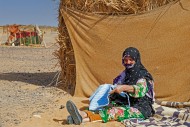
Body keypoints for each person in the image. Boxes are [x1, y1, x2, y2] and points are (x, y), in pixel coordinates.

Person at [66, 47, 155, 125]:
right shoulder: (126, 74)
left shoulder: (143, 75)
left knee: (115, 112)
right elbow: (117, 84)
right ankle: (81, 115)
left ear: (137, 60)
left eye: (131, 60)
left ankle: (82, 119)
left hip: (141, 107)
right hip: (127, 102)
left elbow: (140, 89)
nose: (128, 62)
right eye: (125, 60)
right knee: (105, 105)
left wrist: (124, 88)